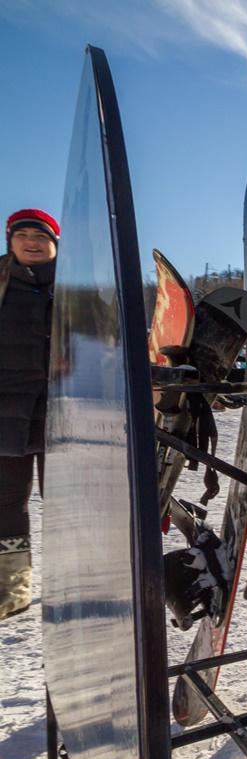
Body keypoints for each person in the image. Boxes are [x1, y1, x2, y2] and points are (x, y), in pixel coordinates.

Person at [0, 209, 59, 620]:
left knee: (67, 503)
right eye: (21, 235)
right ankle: (11, 591)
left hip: (66, 413)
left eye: (40, 235)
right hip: (7, 412)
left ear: (55, 243)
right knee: (7, 504)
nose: (30, 242)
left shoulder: (80, 289)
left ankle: (74, 588)